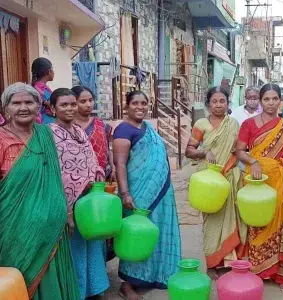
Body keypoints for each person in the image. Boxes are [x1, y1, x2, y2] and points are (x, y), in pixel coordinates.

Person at [0, 83, 80, 299]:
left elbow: (55, 177)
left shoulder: (45, 134)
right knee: (18, 281)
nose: (23, 107)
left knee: (53, 284)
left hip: (53, 230)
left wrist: (68, 214)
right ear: (6, 109)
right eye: (16, 103)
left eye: (29, 102)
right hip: (15, 232)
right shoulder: (1, 140)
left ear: (38, 107)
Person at [113, 90, 181, 300]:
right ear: (127, 106)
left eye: (144, 103)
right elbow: (120, 164)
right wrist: (125, 193)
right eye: (135, 103)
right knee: (137, 234)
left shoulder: (148, 128)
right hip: (138, 192)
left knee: (157, 232)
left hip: (161, 190)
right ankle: (128, 284)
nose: (140, 107)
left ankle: (154, 275)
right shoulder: (123, 130)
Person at [235, 83, 283, 289]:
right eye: (266, 99)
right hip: (255, 179)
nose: (271, 103)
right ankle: (256, 270)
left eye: (274, 99)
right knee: (256, 224)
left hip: (279, 181)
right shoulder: (249, 124)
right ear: (261, 101)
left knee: (279, 224)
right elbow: (239, 151)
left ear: (280, 100)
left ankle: (278, 273)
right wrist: (253, 162)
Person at [49, 88, 109, 299]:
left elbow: (91, 159)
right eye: (64, 105)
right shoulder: (49, 134)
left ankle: (95, 289)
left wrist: (98, 173)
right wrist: (68, 208)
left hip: (88, 200)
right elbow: (55, 170)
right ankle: (77, 292)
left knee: (92, 244)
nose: (70, 108)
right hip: (68, 202)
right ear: (52, 108)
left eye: (73, 104)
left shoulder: (80, 131)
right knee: (73, 249)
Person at [185, 86, 247, 280]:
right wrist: (204, 151)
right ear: (208, 104)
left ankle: (229, 261)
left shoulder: (234, 124)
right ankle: (212, 263)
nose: (218, 105)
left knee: (233, 220)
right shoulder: (201, 124)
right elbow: (188, 151)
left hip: (229, 176)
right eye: (214, 101)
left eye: (222, 101)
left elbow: (239, 150)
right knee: (211, 221)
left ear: (228, 104)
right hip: (209, 180)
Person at [71, 86, 115, 181]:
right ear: (74, 103)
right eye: (83, 101)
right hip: (77, 179)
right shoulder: (68, 127)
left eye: (90, 100)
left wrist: (113, 168)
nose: (89, 104)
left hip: (103, 177)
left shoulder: (101, 124)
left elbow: (109, 148)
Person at [31, 57, 55, 124]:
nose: (54, 72)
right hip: (45, 123)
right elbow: (53, 107)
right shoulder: (41, 88)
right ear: (49, 71)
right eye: (53, 70)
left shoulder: (36, 86)